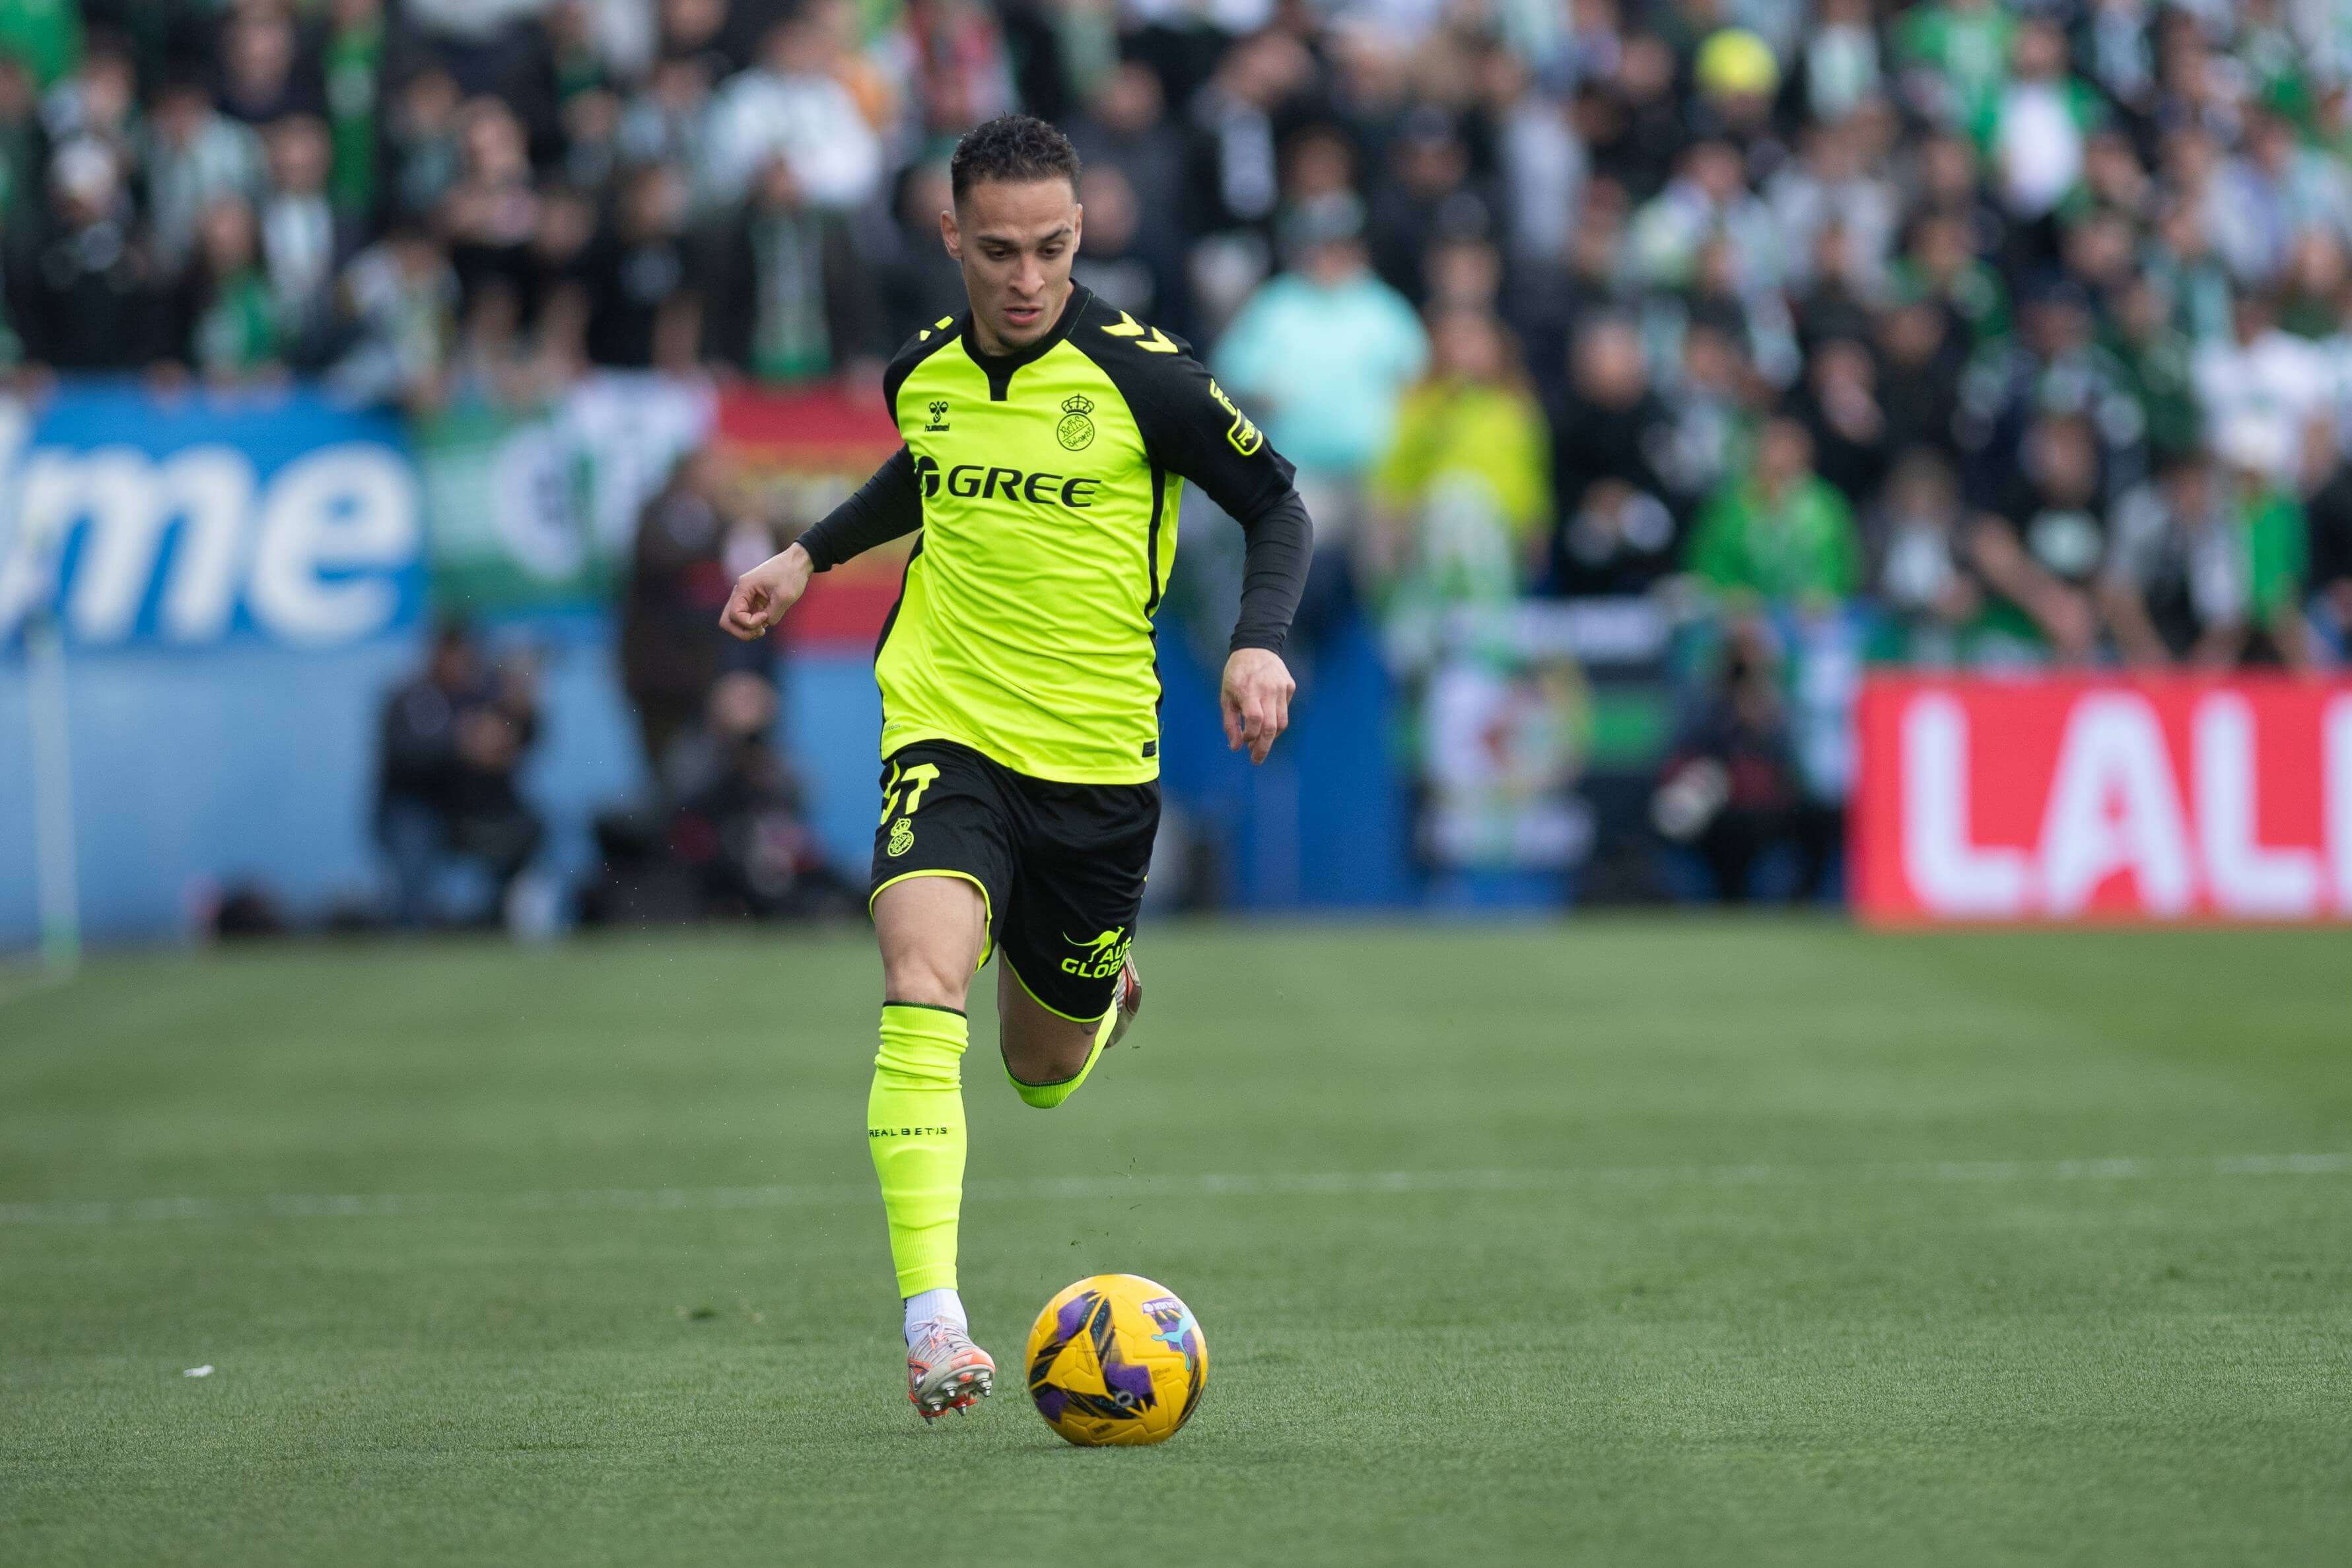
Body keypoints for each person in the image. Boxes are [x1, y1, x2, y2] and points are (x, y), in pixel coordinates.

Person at [716, 115, 1309, 1421]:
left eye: (1051, 248)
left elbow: (1277, 505)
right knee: (919, 971)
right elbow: (922, 473)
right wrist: (807, 556)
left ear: (1080, 234)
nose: (1027, 277)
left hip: (1098, 765)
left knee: (1038, 1074)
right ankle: (934, 1327)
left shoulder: (1145, 378)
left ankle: (1097, 1000)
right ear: (951, 239)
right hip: (946, 723)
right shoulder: (917, 369)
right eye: (998, 251)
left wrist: (1254, 646)